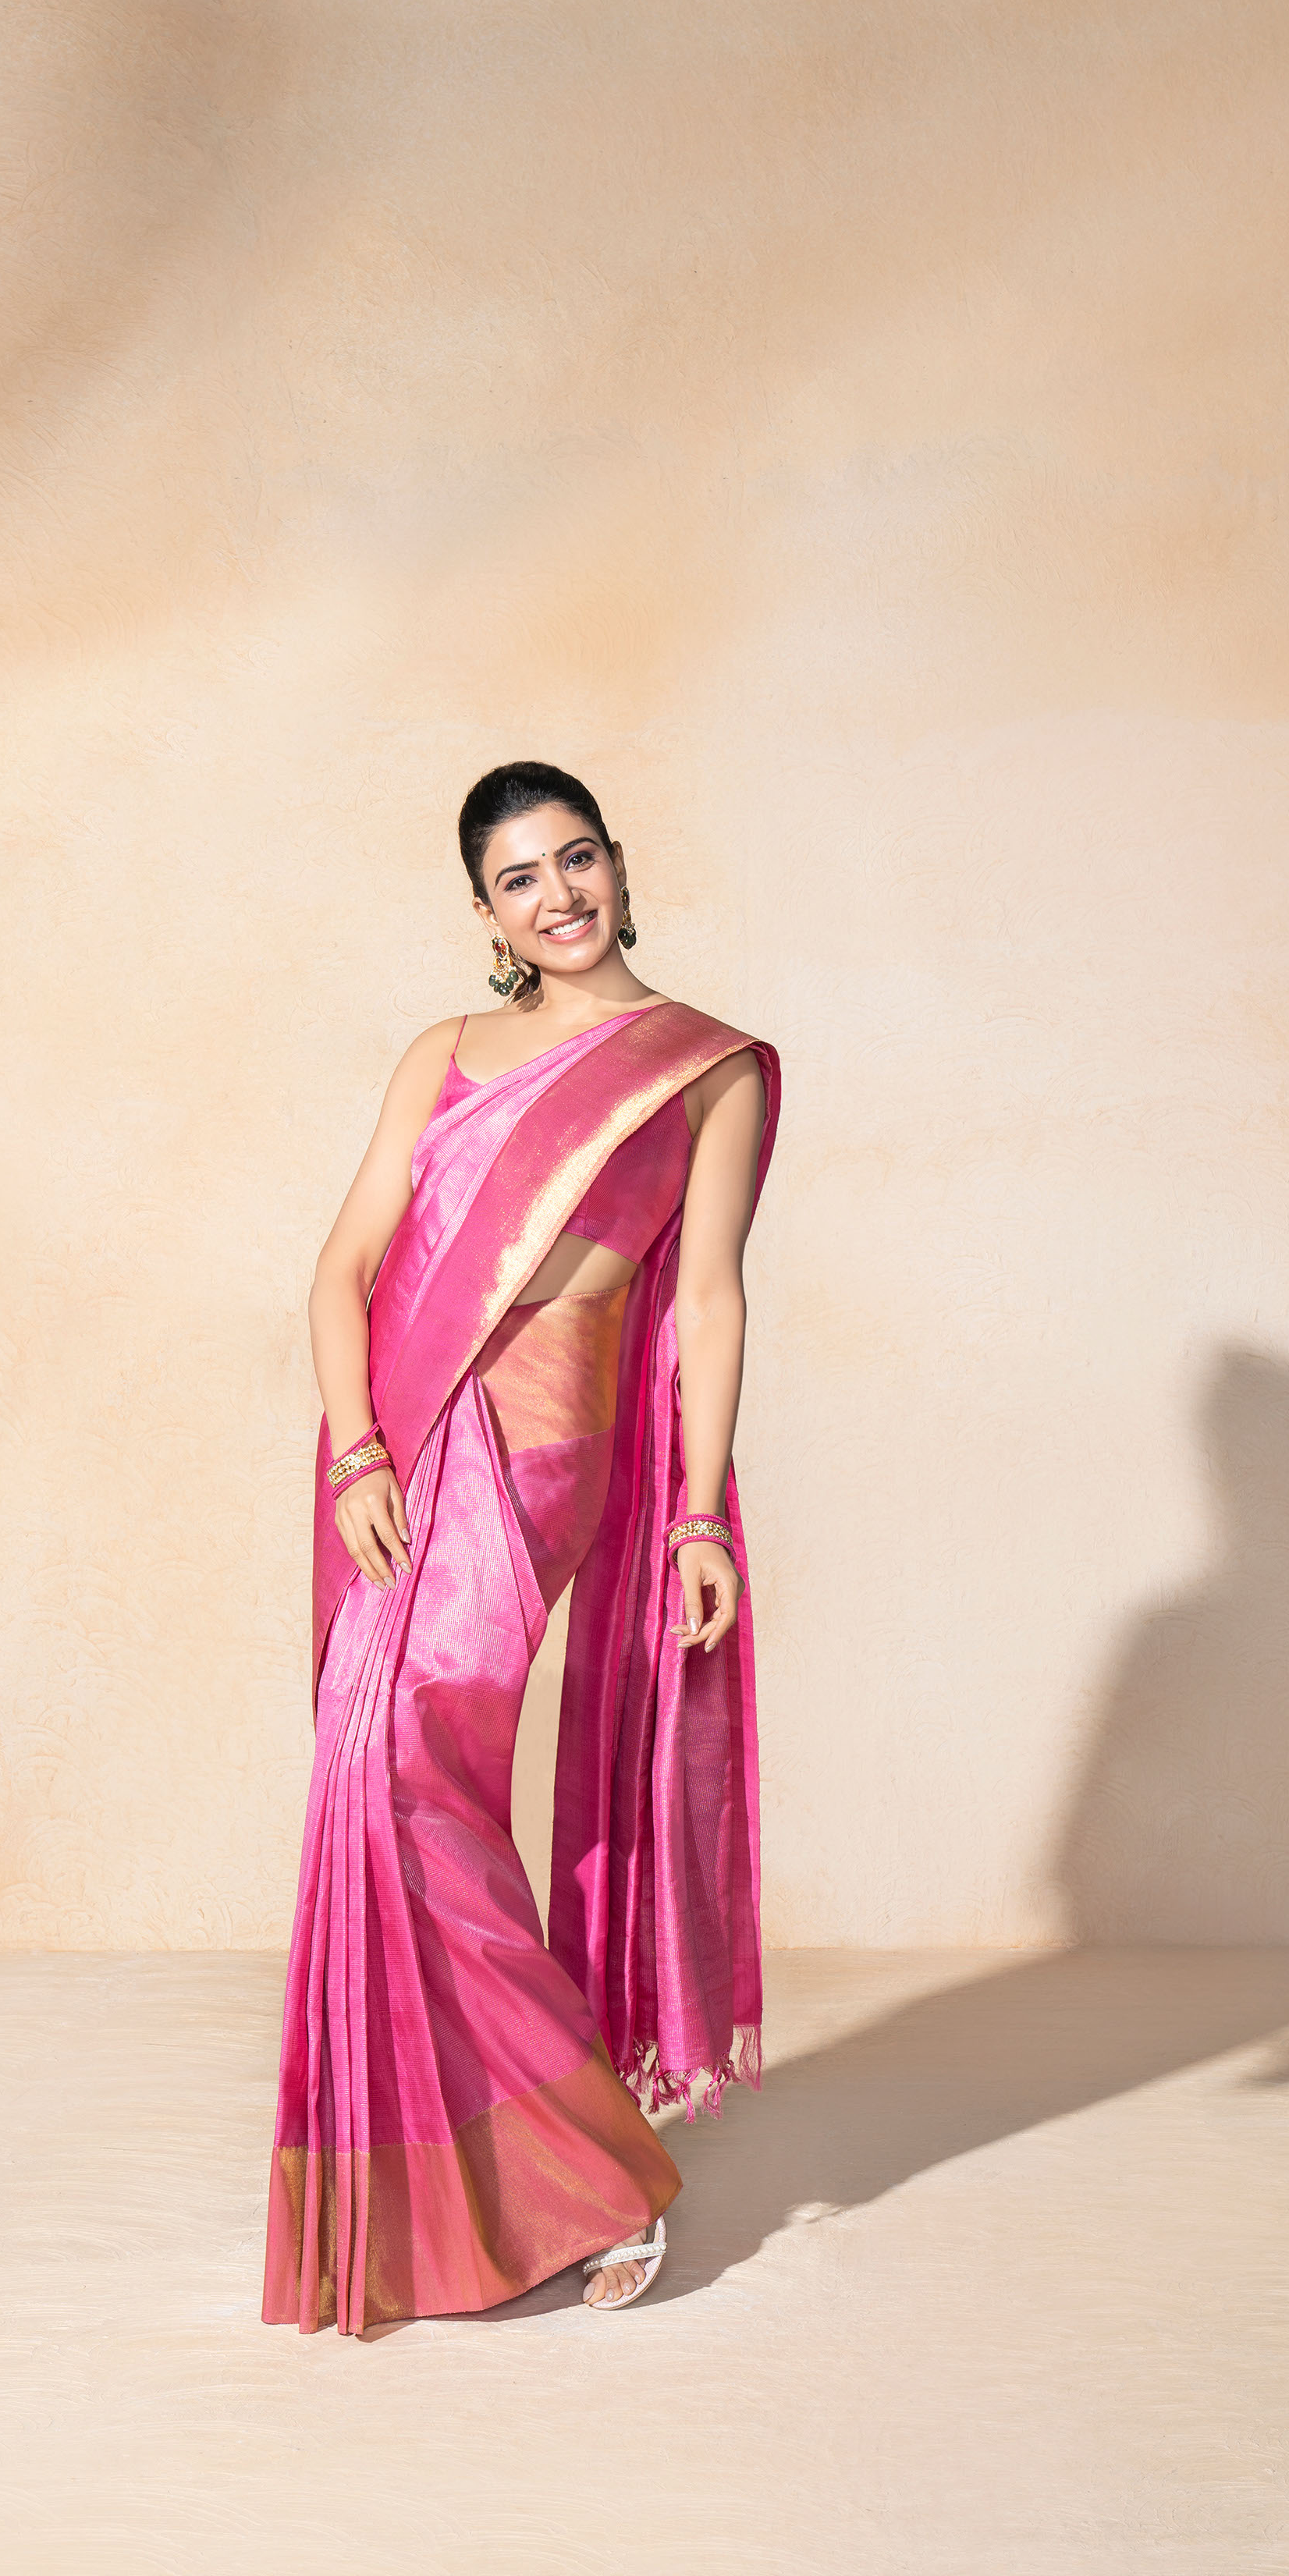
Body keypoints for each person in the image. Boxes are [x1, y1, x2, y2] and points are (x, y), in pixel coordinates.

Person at [265, 763, 779, 2337]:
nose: (558, 897)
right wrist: (357, 1446)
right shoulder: (444, 1053)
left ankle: (599, 2173)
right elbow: (343, 1268)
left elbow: (708, 1300)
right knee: (367, 1780)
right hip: (397, 1435)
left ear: (618, 865)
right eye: (519, 879)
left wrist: (700, 1512)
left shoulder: (703, 1069)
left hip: (546, 1442)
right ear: (485, 914)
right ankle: (462, 2185)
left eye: (576, 860)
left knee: (407, 1769)